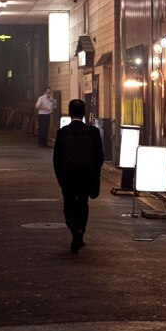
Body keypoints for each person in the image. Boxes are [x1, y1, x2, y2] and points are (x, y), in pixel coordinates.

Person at [53, 99, 104, 253]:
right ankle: (80, 231)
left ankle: (76, 230)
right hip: (86, 175)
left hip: (68, 176)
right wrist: (94, 173)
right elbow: (99, 156)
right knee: (83, 203)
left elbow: (57, 158)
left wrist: (60, 178)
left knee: (69, 206)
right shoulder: (93, 132)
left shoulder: (62, 132)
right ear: (84, 113)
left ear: (69, 113)